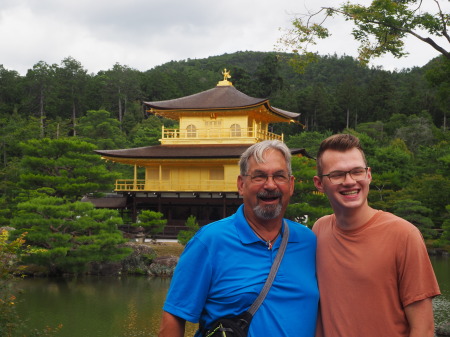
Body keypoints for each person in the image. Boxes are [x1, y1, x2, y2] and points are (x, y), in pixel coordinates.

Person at [159, 140, 319, 337]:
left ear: (291, 184)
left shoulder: (308, 241)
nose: (270, 185)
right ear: (241, 185)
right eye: (259, 176)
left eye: (279, 176)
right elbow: (174, 316)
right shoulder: (210, 241)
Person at [312, 134, 440, 337]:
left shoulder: (404, 235)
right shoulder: (320, 230)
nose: (349, 181)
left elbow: (423, 328)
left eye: (357, 172)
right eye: (337, 175)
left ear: (368, 175)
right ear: (319, 183)